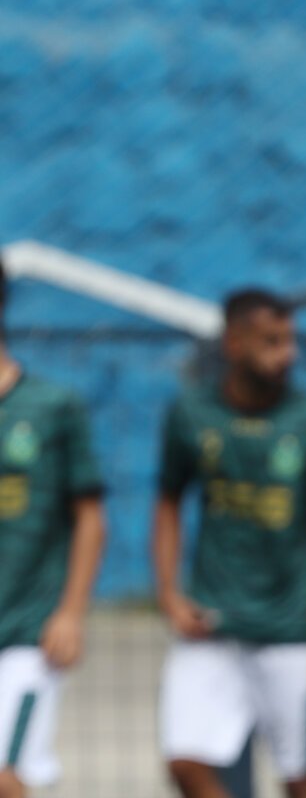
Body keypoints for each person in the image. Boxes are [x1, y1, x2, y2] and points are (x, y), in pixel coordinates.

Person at [153, 289, 306, 798]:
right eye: (272, 342)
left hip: (290, 628)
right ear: (234, 344)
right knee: (184, 762)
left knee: (301, 780)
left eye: (290, 340)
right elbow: (168, 503)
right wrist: (170, 595)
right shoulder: (191, 413)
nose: (288, 354)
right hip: (212, 624)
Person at [0, 258, 106, 798]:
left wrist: (70, 612)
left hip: (26, 631)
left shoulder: (51, 407)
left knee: (6, 780)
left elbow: (89, 516)